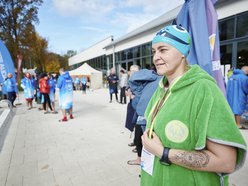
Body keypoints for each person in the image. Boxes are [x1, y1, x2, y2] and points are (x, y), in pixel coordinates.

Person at [140, 25, 247, 186]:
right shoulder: (161, 88)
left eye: (163, 50)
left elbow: (226, 161)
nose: (155, 57)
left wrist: (163, 152)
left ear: (182, 52)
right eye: (154, 51)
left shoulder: (204, 89)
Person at [127, 68, 161, 166]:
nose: (133, 73)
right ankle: (140, 160)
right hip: (142, 116)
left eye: (134, 71)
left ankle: (147, 166)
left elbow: (133, 79)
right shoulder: (147, 83)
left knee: (149, 143)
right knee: (139, 139)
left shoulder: (158, 80)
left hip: (151, 118)